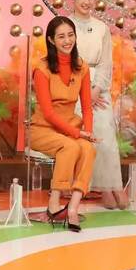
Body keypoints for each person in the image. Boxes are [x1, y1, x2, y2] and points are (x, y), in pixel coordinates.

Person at [30, 16, 97, 232]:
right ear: (51, 40)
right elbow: (49, 113)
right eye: (61, 37)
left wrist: (87, 132)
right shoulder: (42, 69)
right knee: (70, 146)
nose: (67, 41)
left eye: (70, 35)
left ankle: (73, 208)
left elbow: (87, 107)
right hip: (43, 128)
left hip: (70, 126)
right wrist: (78, 134)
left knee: (88, 148)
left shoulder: (81, 67)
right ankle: (53, 205)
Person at [69, 0, 127, 210]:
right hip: (73, 89)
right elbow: (62, 62)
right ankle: (100, 189)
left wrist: (95, 91)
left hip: (98, 90)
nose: (87, 2)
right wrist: (83, 93)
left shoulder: (102, 27)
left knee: (106, 139)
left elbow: (105, 64)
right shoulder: (65, 25)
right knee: (87, 141)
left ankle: (114, 186)